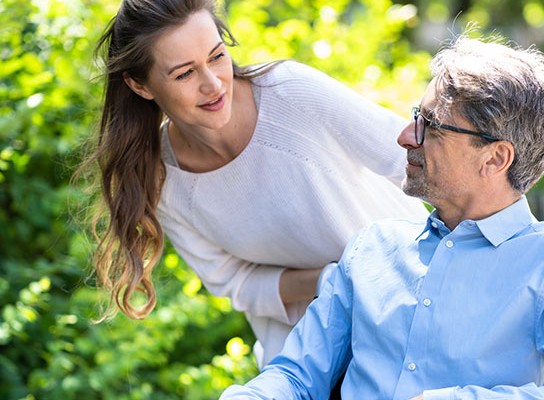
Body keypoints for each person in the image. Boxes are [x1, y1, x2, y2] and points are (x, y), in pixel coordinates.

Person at [220, 33, 544, 399]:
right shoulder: (370, 249)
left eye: (430, 127)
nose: (404, 137)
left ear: (496, 157)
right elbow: (297, 375)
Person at [76, 0, 430, 367]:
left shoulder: (290, 92)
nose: (212, 85)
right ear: (140, 85)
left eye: (216, 56)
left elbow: (415, 161)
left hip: (414, 303)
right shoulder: (162, 181)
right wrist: (335, 279)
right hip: (309, 357)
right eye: (184, 74)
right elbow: (234, 282)